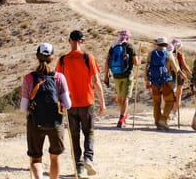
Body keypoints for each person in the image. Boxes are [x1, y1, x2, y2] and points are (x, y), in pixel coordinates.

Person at [56, 30, 106, 177]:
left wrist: (59, 102)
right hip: (87, 102)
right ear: (82, 42)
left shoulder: (62, 60)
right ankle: (88, 158)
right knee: (89, 132)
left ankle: (78, 169)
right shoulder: (88, 58)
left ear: (69, 41)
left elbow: (57, 82)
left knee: (74, 136)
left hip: (69, 104)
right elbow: (96, 82)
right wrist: (102, 103)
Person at [21, 43, 72, 179]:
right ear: (52, 58)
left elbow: (23, 107)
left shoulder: (29, 78)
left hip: (35, 123)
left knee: (36, 159)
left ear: (37, 57)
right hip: (56, 123)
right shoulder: (59, 78)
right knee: (54, 158)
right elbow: (68, 104)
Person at [102, 30, 139, 128]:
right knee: (126, 98)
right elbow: (136, 62)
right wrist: (137, 61)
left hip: (116, 75)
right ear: (128, 37)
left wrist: (106, 76)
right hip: (127, 75)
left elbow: (107, 62)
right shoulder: (130, 46)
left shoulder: (113, 46)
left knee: (119, 97)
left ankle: (123, 115)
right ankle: (122, 119)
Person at [145, 37, 180, 130]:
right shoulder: (169, 54)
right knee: (170, 101)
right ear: (166, 45)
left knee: (156, 102)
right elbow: (176, 69)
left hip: (154, 82)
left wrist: (146, 80)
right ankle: (163, 119)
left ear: (158, 44)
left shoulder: (151, 54)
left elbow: (147, 67)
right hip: (166, 82)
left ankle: (157, 122)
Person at [169, 38, 192, 114]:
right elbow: (184, 67)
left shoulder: (168, 53)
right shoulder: (179, 55)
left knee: (170, 94)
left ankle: (169, 110)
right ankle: (175, 111)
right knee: (178, 94)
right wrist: (191, 75)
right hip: (179, 75)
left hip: (169, 75)